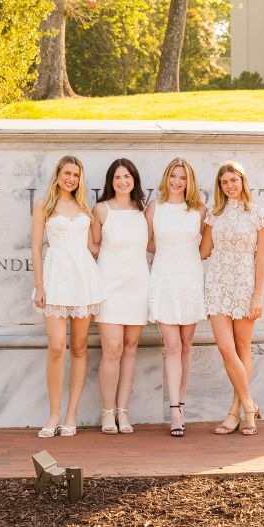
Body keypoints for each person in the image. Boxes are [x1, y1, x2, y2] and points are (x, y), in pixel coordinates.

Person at [30, 155, 106, 438]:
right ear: (58, 175)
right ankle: (53, 414)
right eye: (66, 173)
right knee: (56, 347)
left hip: (83, 280)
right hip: (55, 279)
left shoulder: (84, 207)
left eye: (75, 174)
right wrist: (39, 286)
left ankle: (71, 415)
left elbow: (93, 246)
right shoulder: (44, 206)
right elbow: (37, 247)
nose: (70, 178)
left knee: (79, 347)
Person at [201, 160, 264, 435]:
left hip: (245, 286)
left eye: (234, 180)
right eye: (224, 182)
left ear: (243, 181)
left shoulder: (260, 215)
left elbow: (262, 259)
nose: (229, 185)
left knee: (243, 347)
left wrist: (258, 295)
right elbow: (203, 251)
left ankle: (235, 411)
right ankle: (249, 405)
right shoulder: (213, 215)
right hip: (217, 285)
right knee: (225, 348)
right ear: (219, 187)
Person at [147, 157, 208, 436]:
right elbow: (148, 243)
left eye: (182, 178)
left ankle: (181, 405)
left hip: (190, 279)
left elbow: (205, 247)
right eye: (173, 176)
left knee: (185, 344)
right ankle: (174, 412)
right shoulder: (155, 208)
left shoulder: (199, 210)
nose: (176, 182)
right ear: (166, 178)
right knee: (171, 345)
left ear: (189, 181)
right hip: (164, 279)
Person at [90, 157, 151, 435]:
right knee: (112, 349)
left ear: (135, 180)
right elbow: (91, 248)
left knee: (130, 348)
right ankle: (107, 412)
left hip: (138, 285)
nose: (122, 181)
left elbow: (154, 244)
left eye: (127, 177)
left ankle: (123, 412)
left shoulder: (143, 212)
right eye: (117, 178)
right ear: (110, 182)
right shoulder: (101, 210)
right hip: (110, 286)